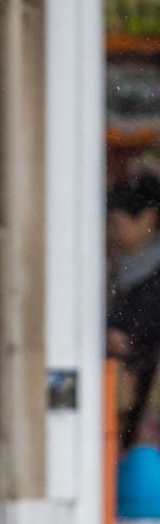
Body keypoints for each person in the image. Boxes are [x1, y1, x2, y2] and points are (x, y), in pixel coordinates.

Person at [106, 174, 160, 449]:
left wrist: (128, 346)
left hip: (143, 402)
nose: (111, 232)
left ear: (148, 218)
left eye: (118, 222)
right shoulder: (116, 270)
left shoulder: (149, 278)